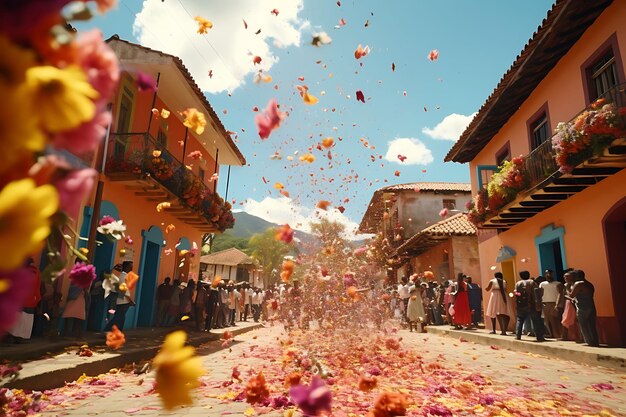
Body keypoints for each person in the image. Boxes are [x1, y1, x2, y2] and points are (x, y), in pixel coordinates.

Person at [7, 259, 41, 343]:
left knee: (17, 317)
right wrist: (37, 297)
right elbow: (37, 286)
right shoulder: (35, 272)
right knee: (26, 318)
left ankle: (12, 336)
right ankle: (21, 337)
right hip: (30, 299)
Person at [569, 270, 599, 347]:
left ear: (577, 276)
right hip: (591, 306)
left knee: (584, 325)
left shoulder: (578, 284)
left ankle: (589, 342)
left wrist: (566, 289)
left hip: (582, 307)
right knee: (592, 325)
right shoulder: (589, 284)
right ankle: (595, 341)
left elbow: (571, 295)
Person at [514, 271, 545, 342]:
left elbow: (516, 293)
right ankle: (539, 337)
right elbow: (536, 293)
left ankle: (518, 336)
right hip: (531, 304)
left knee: (520, 320)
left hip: (521, 304)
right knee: (535, 320)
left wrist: (521, 296)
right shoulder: (532, 282)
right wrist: (537, 302)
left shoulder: (518, 283)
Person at [104, 261, 134, 331]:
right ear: (126, 267)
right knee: (118, 317)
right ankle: (108, 330)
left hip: (123, 300)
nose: (131, 268)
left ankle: (117, 331)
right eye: (130, 266)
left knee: (121, 317)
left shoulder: (123, 276)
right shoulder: (123, 277)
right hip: (123, 301)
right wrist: (130, 300)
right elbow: (124, 291)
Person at [539, 270, 563, 338]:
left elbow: (560, 294)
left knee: (555, 320)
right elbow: (540, 293)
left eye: (550, 274)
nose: (548, 275)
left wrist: (557, 304)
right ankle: (552, 334)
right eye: (547, 274)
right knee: (547, 320)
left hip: (554, 303)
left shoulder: (558, 284)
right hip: (545, 303)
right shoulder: (542, 284)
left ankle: (558, 334)